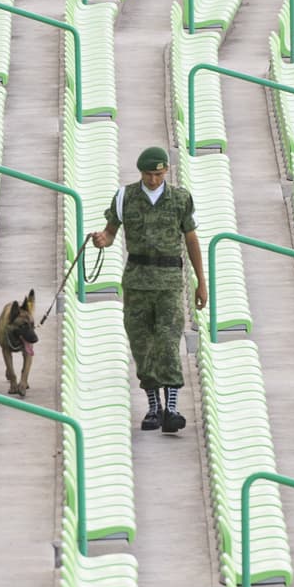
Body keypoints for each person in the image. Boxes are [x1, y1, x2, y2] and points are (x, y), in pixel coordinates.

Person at [91, 147, 207, 433]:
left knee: (168, 343)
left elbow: (191, 239)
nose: (153, 180)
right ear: (140, 172)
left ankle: (172, 408)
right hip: (137, 280)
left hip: (168, 280)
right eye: (148, 174)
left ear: (166, 171)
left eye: (158, 174)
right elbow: (110, 231)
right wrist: (101, 240)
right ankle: (153, 406)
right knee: (142, 344)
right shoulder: (125, 196)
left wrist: (201, 281)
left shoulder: (180, 199)